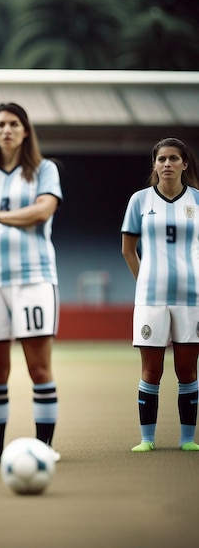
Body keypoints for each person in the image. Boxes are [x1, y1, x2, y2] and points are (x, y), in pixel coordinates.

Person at [0, 102, 62, 467]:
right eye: (0, 124)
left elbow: (42, 211)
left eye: (14, 124)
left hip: (33, 278)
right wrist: (5, 219)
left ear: (25, 131)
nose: (6, 130)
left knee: (39, 369)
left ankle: (44, 448)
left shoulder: (44, 170)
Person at [121, 137, 199, 453]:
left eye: (174, 158)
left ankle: (187, 439)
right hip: (151, 299)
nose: (167, 164)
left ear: (185, 164)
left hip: (191, 298)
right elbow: (128, 250)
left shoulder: (197, 200)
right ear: (154, 165)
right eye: (162, 159)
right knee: (151, 370)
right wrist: (145, 284)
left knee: (187, 370)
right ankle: (147, 439)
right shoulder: (139, 201)